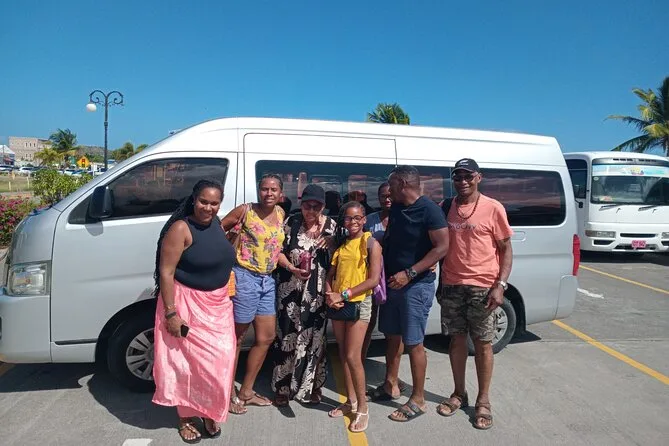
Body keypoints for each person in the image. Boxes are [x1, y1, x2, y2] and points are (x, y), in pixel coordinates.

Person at [152, 179, 236, 443]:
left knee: (220, 362)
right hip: (187, 305)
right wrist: (171, 313)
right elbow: (166, 272)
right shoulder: (181, 228)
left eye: (214, 203)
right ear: (194, 199)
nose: (208, 208)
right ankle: (186, 417)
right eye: (203, 201)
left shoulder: (216, 224)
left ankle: (209, 409)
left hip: (218, 306)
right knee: (186, 366)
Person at [436, 158, 513, 430]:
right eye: (458, 177)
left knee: (482, 344)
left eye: (468, 176)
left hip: (483, 286)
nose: (463, 181)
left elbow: (506, 249)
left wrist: (500, 285)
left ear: (479, 177)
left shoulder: (493, 207)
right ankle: (459, 393)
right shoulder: (446, 206)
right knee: (456, 341)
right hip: (452, 284)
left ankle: (483, 400)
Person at [376, 165, 449, 422]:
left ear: (403, 184)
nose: (388, 190)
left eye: (391, 184)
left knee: (414, 342)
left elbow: (442, 247)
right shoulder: (398, 207)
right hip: (393, 284)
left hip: (415, 286)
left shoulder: (430, 210)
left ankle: (418, 399)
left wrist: (410, 273)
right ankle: (390, 384)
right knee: (392, 336)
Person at [221, 174, 286, 414]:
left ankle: (246, 391)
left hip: (267, 280)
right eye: (264, 189)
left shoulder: (280, 213)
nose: (269, 193)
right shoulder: (245, 211)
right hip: (244, 277)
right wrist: (229, 242)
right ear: (258, 190)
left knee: (266, 337)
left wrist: (290, 267)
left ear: (280, 193)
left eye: (273, 189)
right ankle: (227, 393)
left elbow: (275, 247)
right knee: (236, 339)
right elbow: (218, 229)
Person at [272, 184, 337, 406]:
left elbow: (340, 258)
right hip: (290, 291)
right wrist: (291, 267)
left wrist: (332, 243)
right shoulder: (291, 223)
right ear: (301, 204)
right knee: (286, 337)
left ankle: (313, 386)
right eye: (307, 205)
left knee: (315, 339)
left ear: (323, 207)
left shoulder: (332, 227)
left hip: (317, 294)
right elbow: (278, 252)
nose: (311, 210)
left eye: (316, 206)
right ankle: (282, 387)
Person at [325, 201, 382, 433]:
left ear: (364, 219)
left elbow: (373, 280)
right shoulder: (341, 245)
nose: (353, 222)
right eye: (348, 218)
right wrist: (330, 294)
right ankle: (351, 401)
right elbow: (331, 274)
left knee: (352, 356)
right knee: (342, 353)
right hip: (339, 304)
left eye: (357, 217)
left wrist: (344, 294)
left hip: (359, 304)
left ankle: (363, 408)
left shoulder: (371, 244)